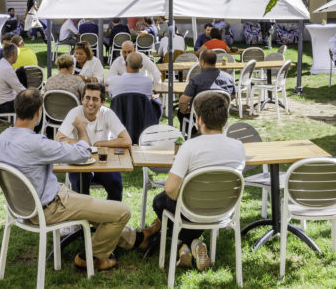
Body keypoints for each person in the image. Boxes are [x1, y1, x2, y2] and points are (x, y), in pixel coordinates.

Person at [0, 89, 135, 271]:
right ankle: (92, 257)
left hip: (21, 207)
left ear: (16, 109)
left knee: (98, 209)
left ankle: (134, 239)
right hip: (51, 207)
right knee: (122, 211)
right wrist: (82, 129)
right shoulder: (37, 143)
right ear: (39, 112)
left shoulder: (2, 138)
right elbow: (84, 153)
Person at [137, 91, 245, 272]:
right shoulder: (239, 146)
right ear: (225, 120)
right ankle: (194, 244)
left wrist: (186, 198)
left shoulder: (190, 147)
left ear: (199, 119)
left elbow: (171, 188)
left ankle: (186, 244)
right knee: (181, 205)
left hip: (193, 211)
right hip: (224, 211)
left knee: (160, 201)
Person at [57, 82, 132, 202]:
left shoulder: (107, 113)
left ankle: (111, 218)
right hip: (80, 160)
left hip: (103, 161)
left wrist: (99, 144)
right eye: (87, 98)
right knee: (80, 184)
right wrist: (84, 145)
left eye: (95, 99)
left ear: (102, 102)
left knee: (116, 183)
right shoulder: (75, 113)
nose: (90, 103)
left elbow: (127, 141)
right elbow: (59, 139)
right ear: (82, 99)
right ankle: (83, 218)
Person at [177, 50, 235, 122]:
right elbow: (233, 96)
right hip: (220, 115)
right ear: (215, 61)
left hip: (201, 115)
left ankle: (195, 133)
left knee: (181, 114)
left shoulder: (196, 80)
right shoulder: (229, 78)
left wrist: (186, 110)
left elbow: (183, 101)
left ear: (202, 62)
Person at [0, 43, 25, 114]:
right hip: (6, 105)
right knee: (34, 102)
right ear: (13, 54)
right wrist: (35, 94)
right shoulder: (7, 68)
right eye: (17, 54)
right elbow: (20, 90)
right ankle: (39, 124)